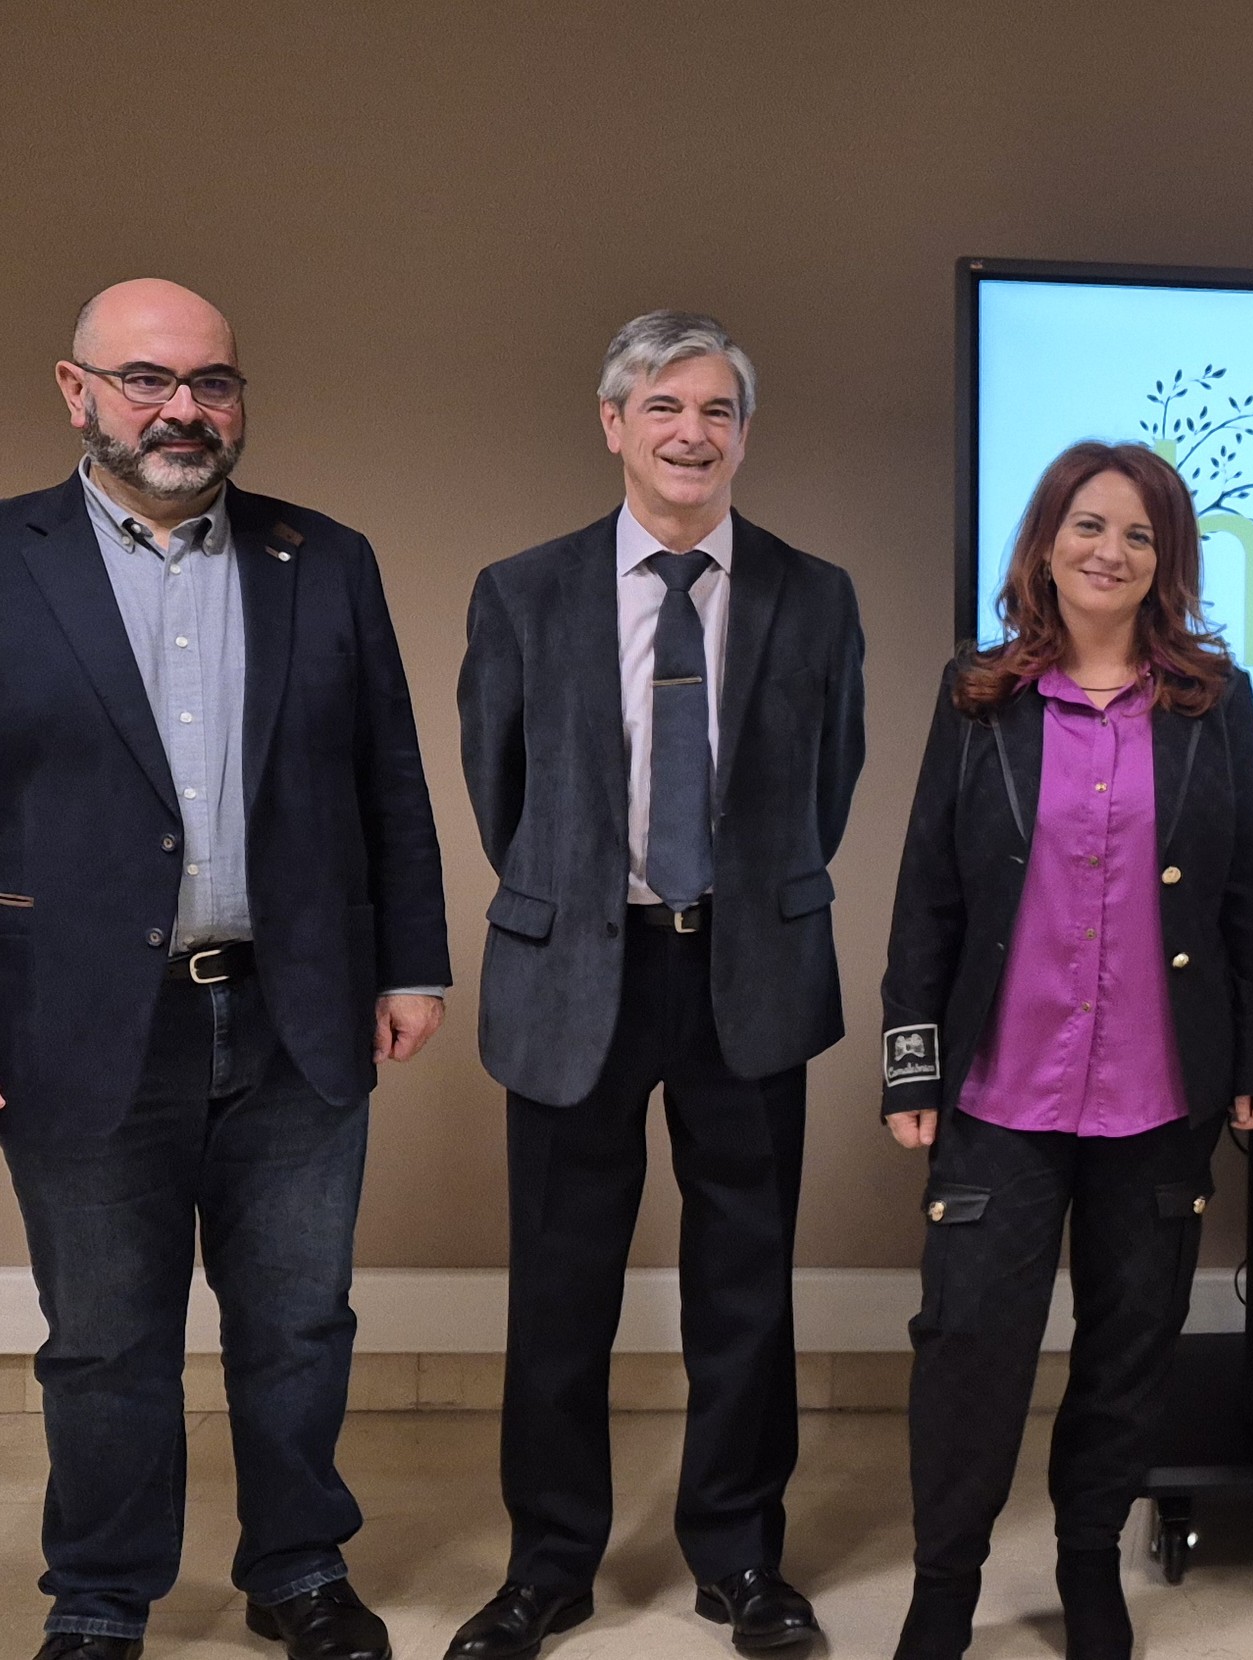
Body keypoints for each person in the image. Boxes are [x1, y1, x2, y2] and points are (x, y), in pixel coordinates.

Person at [0, 278, 451, 1660]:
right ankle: (102, 1591)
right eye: (147, 380)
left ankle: (299, 1568)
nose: (183, 409)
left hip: (293, 1012)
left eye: (211, 382)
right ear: (76, 393)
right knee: (101, 1340)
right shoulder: (8, 559)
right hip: (79, 1023)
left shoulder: (326, 558)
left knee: (301, 1322)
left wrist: (414, 965)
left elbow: (390, 776)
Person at [452, 311, 867, 1660]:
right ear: (613, 423)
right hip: (580, 970)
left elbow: (832, 781)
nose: (692, 434)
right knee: (559, 1290)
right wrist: (586, 893)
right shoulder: (523, 591)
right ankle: (549, 1566)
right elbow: (499, 787)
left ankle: (741, 1559)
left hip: (744, 964)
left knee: (744, 1285)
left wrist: (735, 889)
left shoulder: (814, 594)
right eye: (665, 408)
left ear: (743, 435)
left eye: (718, 412)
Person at [875, 442, 1253, 1658]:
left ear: (1168, 563)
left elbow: (1252, 894)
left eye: (1141, 536)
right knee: (969, 1346)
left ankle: (1087, 1562)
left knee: (1130, 1344)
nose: (1112, 552)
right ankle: (944, 1581)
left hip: (1160, 1094)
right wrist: (912, 1066)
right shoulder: (981, 694)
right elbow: (926, 895)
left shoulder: (1216, 703)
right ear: (1047, 541)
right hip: (1000, 1091)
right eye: (1089, 526)